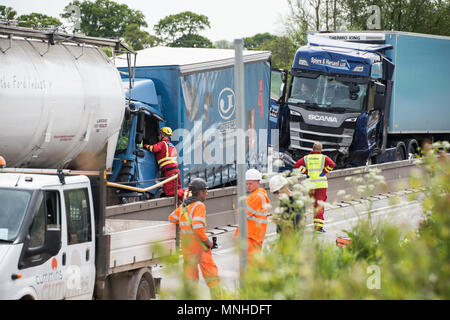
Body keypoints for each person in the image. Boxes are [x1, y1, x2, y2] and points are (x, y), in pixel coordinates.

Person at [168, 178, 221, 298]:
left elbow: (171, 218)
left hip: (188, 247)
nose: (207, 193)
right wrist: (208, 242)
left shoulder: (184, 206)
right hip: (200, 247)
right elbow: (197, 227)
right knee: (211, 275)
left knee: (190, 277)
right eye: (205, 191)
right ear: (200, 192)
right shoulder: (199, 206)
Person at [293, 142, 335, 232]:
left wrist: (306, 172)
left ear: (312, 149)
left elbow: (296, 165)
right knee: (319, 205)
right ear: (321, 149)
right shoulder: (324, 158)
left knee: (313, 204)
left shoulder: (306, 158)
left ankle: (300, 223)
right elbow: (332, 164)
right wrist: (324, 172)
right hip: (321, 185)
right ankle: (318, 227)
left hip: (310, 185)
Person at [234, 169, 270, 264]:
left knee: (250, 264)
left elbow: (241, 213)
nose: (248, 186)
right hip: (255, 235)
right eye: (246, 184)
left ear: (258, 182)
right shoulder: (259, 195)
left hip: (251, 235)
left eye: (250, 183)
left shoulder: (256, 196)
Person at [144, 127, 182, 197]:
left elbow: (154, 148)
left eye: (159, 135)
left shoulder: (162, 143)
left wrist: (145, 145)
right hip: (175, 171)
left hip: (169, 172)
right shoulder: (171, 146)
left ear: (163, 135)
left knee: (169, 192)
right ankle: (185, 199)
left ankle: (188, 198)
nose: (158, 136)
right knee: (177, 189)